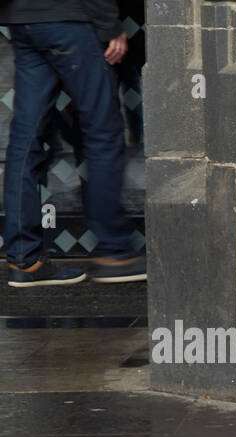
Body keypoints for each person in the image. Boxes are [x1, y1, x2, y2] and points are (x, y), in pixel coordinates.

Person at [1, 0, 146, 286]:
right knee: (103, 132)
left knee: (25, 139)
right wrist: (109, 25)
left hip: (23, 20)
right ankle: (115, 252)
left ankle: (24, 258)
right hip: (71, 20)